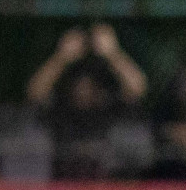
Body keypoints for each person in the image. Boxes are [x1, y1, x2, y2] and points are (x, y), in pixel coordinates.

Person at [26, 24, 147, 179]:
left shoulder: (108, 106)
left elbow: (138, 88)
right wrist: (61, 57)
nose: (84, 90)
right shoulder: (62, 106)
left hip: (107, 182)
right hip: (64, 183)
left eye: (89, 85)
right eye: (80, 85)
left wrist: (113, 54)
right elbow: (35, 92)